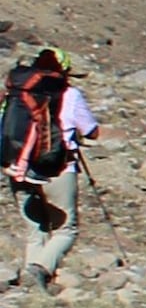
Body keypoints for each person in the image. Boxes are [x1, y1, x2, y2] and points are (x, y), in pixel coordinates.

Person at [4, 50, 90, 284]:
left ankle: (29, 278)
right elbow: (91, 130)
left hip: (17, 164)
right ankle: (40, 269)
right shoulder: (70, 94)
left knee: (36, 227)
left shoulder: (17, 93)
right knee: (66, 229)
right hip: (57, 167)